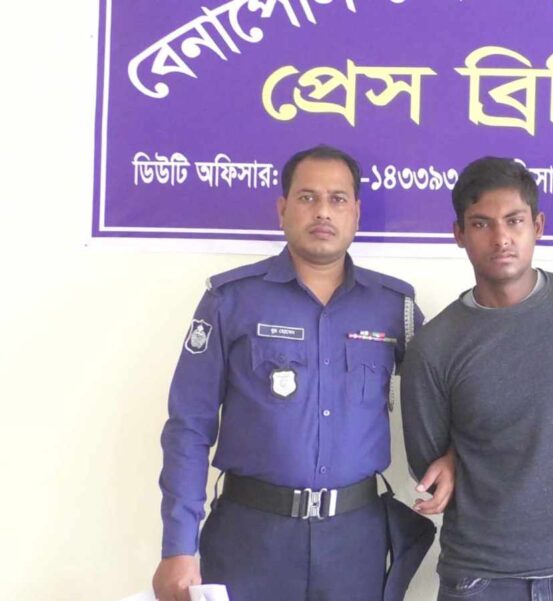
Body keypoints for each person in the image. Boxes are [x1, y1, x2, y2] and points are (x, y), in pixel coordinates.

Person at [151, 144, 447, 601]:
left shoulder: (394, 308)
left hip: (355, 542)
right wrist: (178, 546)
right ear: (282, 209)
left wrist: (452, 455)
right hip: (250, 538)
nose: (323, 211)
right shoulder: (231, 300)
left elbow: (444, 394)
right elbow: (188, 426)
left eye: (337, 199)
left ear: (356, 213)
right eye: (308, 197)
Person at [401, 156, 553, 600]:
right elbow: (429, 463)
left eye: (514, 220)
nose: (501, 238)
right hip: (481, 577)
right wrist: (456, 454)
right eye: (481, 224)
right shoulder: (434, 344)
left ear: (537, 226)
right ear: (458, 234)